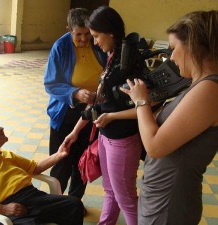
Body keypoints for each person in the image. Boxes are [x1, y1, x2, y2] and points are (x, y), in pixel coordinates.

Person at [120, 10, 218, 225]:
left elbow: (154, 146)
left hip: (169, 206)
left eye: (173, 48)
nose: (170, 57)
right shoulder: (198, 85)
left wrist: (141, 101)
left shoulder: (209, 90)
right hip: (162, 198)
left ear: (191, 45)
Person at [63, 6, 142, 225]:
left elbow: (145, 107)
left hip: (123, 141)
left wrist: (113, 117)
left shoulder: (130, 65)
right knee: (110, 191)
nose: (94, 41)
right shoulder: (112, 58)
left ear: (111, 33)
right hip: (106, 137)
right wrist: (75, 132)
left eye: (96, 36)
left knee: (126, 198)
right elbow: (97, 104)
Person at [0, 118, 84, 225]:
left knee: (74, 205)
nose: (2, 128)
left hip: (31, 197)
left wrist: (58, 155)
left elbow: (35, 168)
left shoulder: (6, 155)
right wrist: (3, 209)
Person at [43, 7, 107, 205]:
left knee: (83, 161)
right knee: (62, 161)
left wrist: (101, 93)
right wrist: (75, 93)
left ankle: (73, 204)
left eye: (88, 33)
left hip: (92, 112)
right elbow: (51, 83)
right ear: (69, 30)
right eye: (78, 34)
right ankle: (55, 205)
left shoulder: (97, 43)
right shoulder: (61, 47)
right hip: (66, 112)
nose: (84, 39)